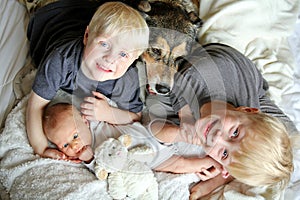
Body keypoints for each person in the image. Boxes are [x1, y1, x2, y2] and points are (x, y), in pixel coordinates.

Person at [148, 43, 297, 199]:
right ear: (247, 109)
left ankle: (227, 169)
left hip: (235, 112)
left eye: (224, 153)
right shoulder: (198, 75)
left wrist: (183, 136)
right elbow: (154, 128)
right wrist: (185, 119)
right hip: (227, 67)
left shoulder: (212, 135)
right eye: (234, 132)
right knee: (288, 133)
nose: (218, 137)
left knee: (270, 155)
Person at [26, 1, 149, 159]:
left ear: (134, 60)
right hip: (54, 18)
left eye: (123, 54)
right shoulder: (61, 60)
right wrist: (41, 148)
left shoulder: (126, 79)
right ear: (86, 36)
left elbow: (135, 116)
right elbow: (36, 105)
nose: (110, 59)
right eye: (104, 44)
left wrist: (108, 113)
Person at [42, 102, 223, 181]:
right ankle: (211, 162)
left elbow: (130, 118)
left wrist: (107, 111)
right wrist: (89, 160)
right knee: (179, 165)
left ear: (84, 121)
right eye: (65, 145)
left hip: (148, 134)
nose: (74, 146)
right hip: (153, 160)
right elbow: (103, 171)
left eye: (75, 136)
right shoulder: (87, 157)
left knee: (171, 133)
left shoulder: (96, 122)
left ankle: (200, 138)